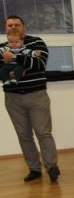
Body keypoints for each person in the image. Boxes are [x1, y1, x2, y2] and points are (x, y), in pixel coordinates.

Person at [1, 15, 60, 183]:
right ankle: (34, 168)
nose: (13, 27)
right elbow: (2, 70)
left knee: (43, 133)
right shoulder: (2, 47)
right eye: (10, 25)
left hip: (37, 96)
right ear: (6, 29)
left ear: (24, 27)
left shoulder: (37, 43)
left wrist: (14, 59)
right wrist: (25, 64)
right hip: (13, 99)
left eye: (17, 24)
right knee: (24, 135)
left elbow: (40, 64)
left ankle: (52, 167)